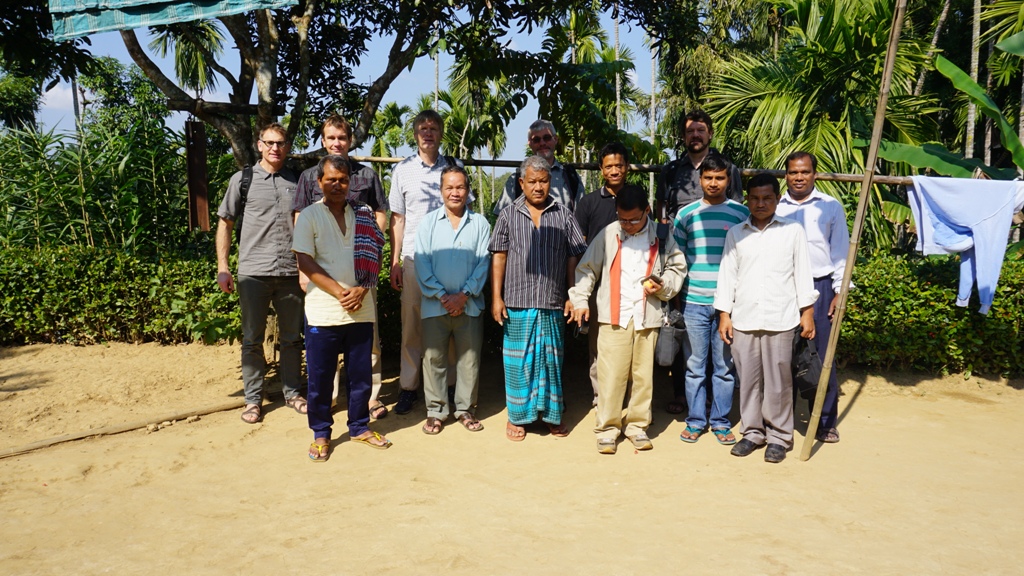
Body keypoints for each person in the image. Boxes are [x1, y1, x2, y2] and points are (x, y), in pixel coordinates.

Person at [569, 186, 688, 454]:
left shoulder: (662, 235)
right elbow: (586, 269)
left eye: (633, 220)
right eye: (623, 219)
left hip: (648, 317)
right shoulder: (609, 234)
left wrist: (664, 285)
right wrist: (579, 300)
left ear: (647, 211)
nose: (628, 225)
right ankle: (607, 429)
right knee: (610, 375)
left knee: (643, 377)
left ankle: (637, 426)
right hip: (614, 316)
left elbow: (677, 268)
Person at [292, 114, 390, 420]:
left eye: (342, 138)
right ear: (323, 141)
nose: (337, 142)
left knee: (367, 342)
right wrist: (303, 271)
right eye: (331, 137)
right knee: (325, 345)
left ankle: (370, 400)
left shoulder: (367, 175)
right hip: (322, 277)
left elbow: (380, 215)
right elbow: (300, 220)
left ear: (350, 141)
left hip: (362, 275)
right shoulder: (309, 176)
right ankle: (330, 398)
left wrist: (370, 265)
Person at [715, 173, 817, 463]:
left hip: (781, 318)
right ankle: (752, 433)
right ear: (747, 199)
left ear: (777, 198)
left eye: (767, 198)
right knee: (747, 381)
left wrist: (806, 312)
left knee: (779, 382)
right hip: (744, 318)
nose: (761, 204)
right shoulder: (736, 233)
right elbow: (727, 276)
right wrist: (725, 314)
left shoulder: (792, 231)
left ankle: (780, 437)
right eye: (755, 198)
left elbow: (802, 273)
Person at [489, 155, 587, 442]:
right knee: (517, 362)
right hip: (518, 301)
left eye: (543, 181)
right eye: (532, 181)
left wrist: (572, 295)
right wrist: (497, 297)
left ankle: (551, 416)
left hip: (552, 301)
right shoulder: (508, 214)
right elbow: (499, 256)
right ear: (521, 183)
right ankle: (517, 417)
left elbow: (573, 256)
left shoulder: (564, 214)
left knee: (550, 361)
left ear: (550, 183)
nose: (538, 187)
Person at [215, 123, 306, 425]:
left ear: (287, 146)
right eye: (269, 143)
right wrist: (223, 267)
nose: (275, 148)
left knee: (292, 338)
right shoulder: (243, 180)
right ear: (259, 145)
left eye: (280, 143)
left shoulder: (297, 180)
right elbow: (225, 223)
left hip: (291, 271)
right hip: (254, 271)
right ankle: (253, 399)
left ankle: (292, 392)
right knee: (252, 339)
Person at [672, 154, 749, 445]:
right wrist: (678, 297)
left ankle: (720, 421)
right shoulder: (686, 214)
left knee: (724, 366)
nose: (713, 183)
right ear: (700, 179)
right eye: (708, 177)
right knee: (694, 365)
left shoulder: (741, 214)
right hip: (694, 302)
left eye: (720, 178)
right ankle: (694, 421)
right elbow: (677, 259)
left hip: (728, 306)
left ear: (728, 180)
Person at [388, 109, 460, 415]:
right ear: (415, 134)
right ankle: (408, 387)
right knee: (413, 326)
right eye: (422, 128)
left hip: (450, 258)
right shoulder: (403, 171)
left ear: (441, 133)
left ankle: (453, 386)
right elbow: (398, 219)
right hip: (415, 258)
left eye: (433, 128)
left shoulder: (454, 169)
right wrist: (395, 261)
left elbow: (462, 215)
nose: (427, 133)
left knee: (452, 324)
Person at [774, 151, 849, 444]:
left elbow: (841, 252)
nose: (799, 178)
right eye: (793, 173)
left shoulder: (830, 207)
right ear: (786, 176)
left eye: (804, 172)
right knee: (783, 357)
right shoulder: (775, 206)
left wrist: (839, 291)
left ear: (814, 174)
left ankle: (825, 421)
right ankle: (784, 422)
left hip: (820, 288)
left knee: (821, 357)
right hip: (784, 288)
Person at [414, 165, 492, 434]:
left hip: (469, 305)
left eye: (460, 187)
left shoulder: (480, 223)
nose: (455, 192)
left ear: (467, 191)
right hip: (435, 306)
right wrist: (443, 296)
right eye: (449, 187)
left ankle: (465, 409)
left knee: (469, 360)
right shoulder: (428, 223)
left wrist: (463, 295)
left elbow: (484, 263)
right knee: (433, 359)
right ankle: (436, 411)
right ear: (441, 190)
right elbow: (422, 263)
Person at [573, 142, 632, 406]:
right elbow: (579, 243)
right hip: (598, 284)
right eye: (609, 166)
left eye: (619, 165)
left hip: (630, 283)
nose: (615, 171)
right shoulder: (588, 203)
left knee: (629, 342)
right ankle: (600, 396)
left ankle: (627, 397)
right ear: (601, 169)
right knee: (597, 343)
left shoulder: (637, 198)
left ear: (627, 168)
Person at [655, 110, 743, 224]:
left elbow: (737, 207)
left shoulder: (728, 169)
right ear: (683, 136)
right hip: (676, 239)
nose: (695, 135)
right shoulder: (671, 170)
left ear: (710, 134)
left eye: (701, 130)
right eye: (690, 131)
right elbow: (661, 208)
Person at [492, 119, 585, 214]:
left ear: (555, 139)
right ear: (530, 144)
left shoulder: (571, 177)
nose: (542, 143)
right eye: (536, 140)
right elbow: (502, 218)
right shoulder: (515, 180)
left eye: (547, 138)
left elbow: (581, 217)